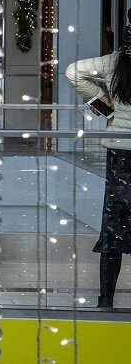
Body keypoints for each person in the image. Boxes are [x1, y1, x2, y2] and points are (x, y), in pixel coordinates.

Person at [66, 26, 131, 308]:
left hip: (120, 154)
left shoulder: (114, 62)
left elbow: (73, 71)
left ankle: (105, 301)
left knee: (114, 229)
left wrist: (101, 102)